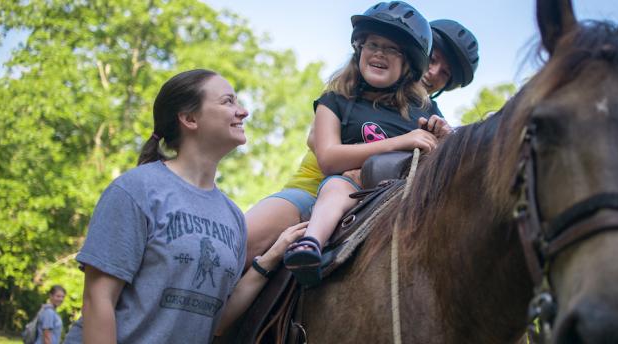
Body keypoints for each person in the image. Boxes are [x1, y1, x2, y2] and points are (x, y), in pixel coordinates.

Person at [63, 69, 304, 344]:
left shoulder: (233, 217)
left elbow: (217, 321)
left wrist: (270, 259)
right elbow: (98, 300)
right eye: (228, 102)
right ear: (189, 119)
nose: (243, 111)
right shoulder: (136, 190)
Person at [242, 17, 480, 274]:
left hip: (387, 201)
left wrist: (441, 145)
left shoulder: (430, 115)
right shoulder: (344, 96)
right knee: (240, 243)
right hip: (313, 191)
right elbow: (321, 146)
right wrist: (400, 143)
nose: (434, 73)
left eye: (445, 73)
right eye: (433, 61)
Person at [279, 1, 452, 286]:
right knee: (336, 186)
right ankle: (310, 244)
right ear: (359, 48)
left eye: (392, 49)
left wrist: (444, 137)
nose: (380, 53)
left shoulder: (426, 108)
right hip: (349, 186)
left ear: (408, 63)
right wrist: (404, 140)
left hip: (405, 195)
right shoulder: (336, 100)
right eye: (372, 44)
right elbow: (328, 158)